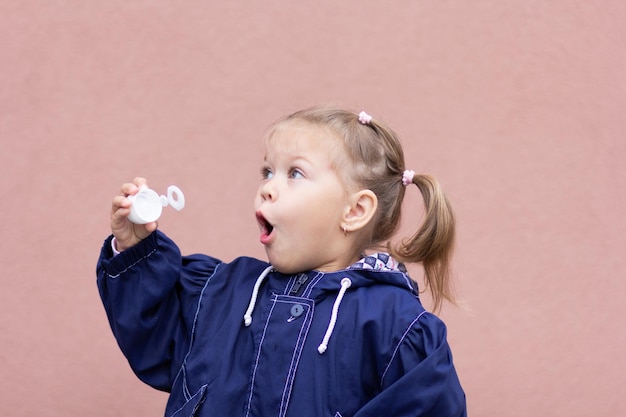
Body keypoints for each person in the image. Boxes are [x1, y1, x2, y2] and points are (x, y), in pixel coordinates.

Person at [96, 105, 467, 417]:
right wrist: (134, 251)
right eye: (267, 171)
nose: (267, 187)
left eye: (295, 173)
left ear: (354, 211)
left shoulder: (393, 325)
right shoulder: (222, 294)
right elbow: (155, 340)